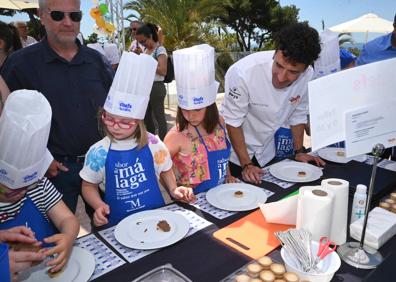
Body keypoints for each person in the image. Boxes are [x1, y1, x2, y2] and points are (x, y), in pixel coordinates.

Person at [1, 0, 114, 214]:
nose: (67, 22)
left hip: (101, 166)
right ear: (42, 16)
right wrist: (42, 159)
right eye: (58, 15)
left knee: (110, 227)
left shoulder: (97, 61)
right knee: (58, 238)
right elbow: (7, 122)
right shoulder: (19, 65)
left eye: (75, 16)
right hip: (53, 173)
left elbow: (113, 109)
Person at [80, 52, 195, 227]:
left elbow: (165, 169)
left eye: (125, 122)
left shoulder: (153, 143)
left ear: (138, 121)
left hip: (156, 218)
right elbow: (88, 185)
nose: (115, 126)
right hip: (119, 224)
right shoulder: (98, 152)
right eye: (109, 118)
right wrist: (98, 205)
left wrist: (173, 189)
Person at [221, 23, 324, 184]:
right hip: (234, 154)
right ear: (275, 53)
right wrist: (246, 164)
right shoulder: (243, 73)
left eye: (293, 72)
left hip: (267, 152)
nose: (281, 77)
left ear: (304, 70)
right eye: (279, 65)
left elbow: (298, 114)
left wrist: (299, 151)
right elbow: (233, 122)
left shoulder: (308, 75)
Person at [0, 90, 79, 276]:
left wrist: (68, 237)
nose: (20, 193)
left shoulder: (38, 186)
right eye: (10, 191)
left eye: (25, 187)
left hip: (49, 271)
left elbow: (68, 219)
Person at [164, 44, 235, 194]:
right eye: (185, 109)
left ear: (209, 107)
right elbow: (159, 166)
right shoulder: (175, 136)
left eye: (197, 109)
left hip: (223, 194)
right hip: (193, 202)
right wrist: (173, 190)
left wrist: (228, 174)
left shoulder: (220, 123)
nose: (191, 116)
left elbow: (223, 155)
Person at [136, 23, 168, 140]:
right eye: (140, 42)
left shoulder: (160, 49)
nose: (142, 44)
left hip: (156, 87)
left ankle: (164, 144)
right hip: (145, 87)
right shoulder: (146, 51)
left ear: (150, 36)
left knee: (159, 118)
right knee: (147, 118)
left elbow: (163, 70)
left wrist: (147, 63)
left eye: (144, 41)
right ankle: (150, 142)